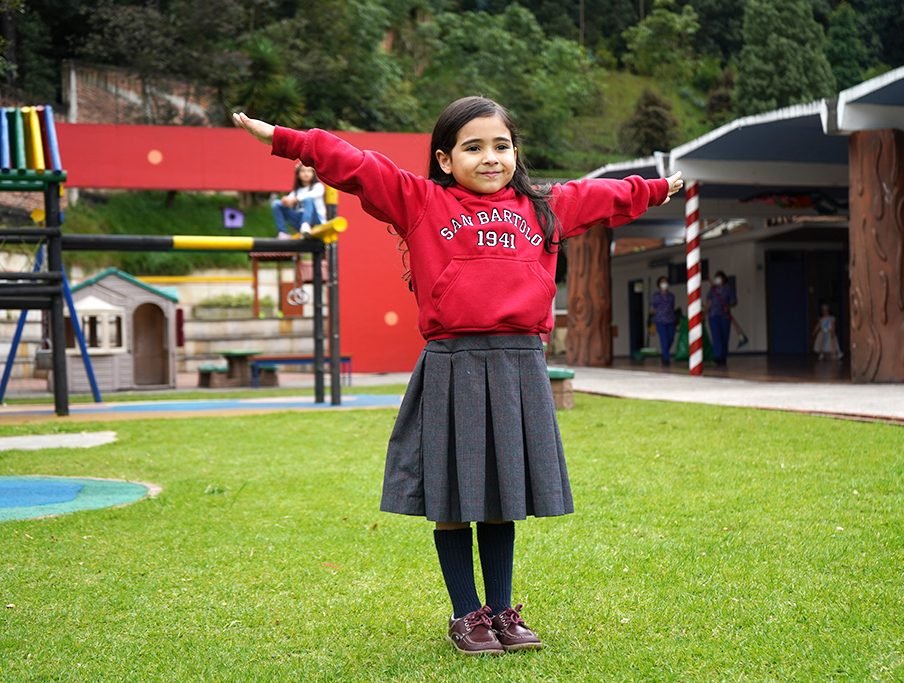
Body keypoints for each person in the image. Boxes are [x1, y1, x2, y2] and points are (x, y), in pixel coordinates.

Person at [234, 97, 683, 656]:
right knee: (451, 496)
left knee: (501, 494)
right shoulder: (422, 201)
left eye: (502, 146)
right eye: (473, 147)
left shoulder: (544, 207)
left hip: (520, 363)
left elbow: (601, 195)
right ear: (445, 159)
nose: (491, 157)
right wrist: (286, 139)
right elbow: (358, 165)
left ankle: (502, 611)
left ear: (515, 152)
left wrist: (654, 188)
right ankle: (466, 614)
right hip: (454, 363)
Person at [271, 162, 326, 238]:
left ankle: (305, 225)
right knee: (276, 204)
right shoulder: (296, 191)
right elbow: (290, 200)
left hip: (316, 221)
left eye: (309, 171)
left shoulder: (318, 186)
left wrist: (296, 199)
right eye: (303, 171)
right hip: (299, 221)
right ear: (298, 174)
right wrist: (285, 201)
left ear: (313, 173)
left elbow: (309, 195)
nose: (306, 173)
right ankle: (282, 232)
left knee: (308, 199)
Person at [706, 270, 737, 366]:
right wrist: (704, 312)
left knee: (724, 336)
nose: (717, 279)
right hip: (713, 315)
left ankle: (723, 356)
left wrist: (728, 306)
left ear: (723, 279)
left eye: (719, 277)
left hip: (725, 316)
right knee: (716, 336)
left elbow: (734, 301)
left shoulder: (728, 289)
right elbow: (709, 302)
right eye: (716, 278)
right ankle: (717, 356)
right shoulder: (712, 290)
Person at [649, 276, 677, 366]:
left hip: (671, 320)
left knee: (671, 338)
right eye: (662, 282)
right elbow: (652, 308)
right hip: (660, 320)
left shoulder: (671, 296)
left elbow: (672, 307)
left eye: (666, 282)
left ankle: (665, 353)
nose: (664, 284)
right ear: (659, 285)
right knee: (664, 339)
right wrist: (652, 315)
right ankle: (666, 359)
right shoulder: (656, 296)